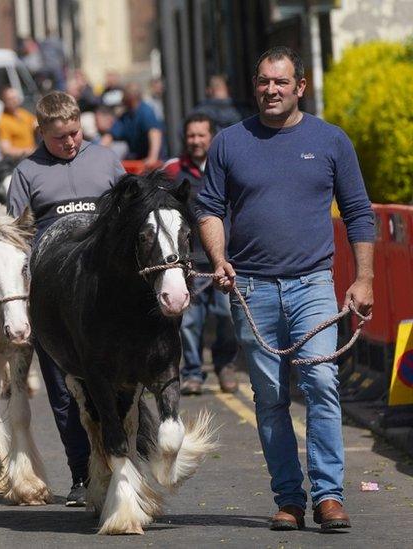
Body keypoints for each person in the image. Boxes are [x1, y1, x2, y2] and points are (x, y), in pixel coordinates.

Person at [196, 46, 374, 531]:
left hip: (313, 283)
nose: (270, 90)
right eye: (262, 82)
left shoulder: (331, 140)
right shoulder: (230, 142)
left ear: (300, 87)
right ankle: (290, 500)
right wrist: (219, 259)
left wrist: (364, 278)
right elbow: (208, 207)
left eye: (280, 82)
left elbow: (359, 212)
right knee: (270, 396)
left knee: (320, 382)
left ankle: (330, 496)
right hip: (251, 288)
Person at [7, 91, 125, 506]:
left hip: (105, 298)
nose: (70, 143)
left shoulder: (106, 160)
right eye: (59, 139)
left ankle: (123, 465)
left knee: (118, 384)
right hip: (54, 302)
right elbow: (17, 237)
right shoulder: (26, 172)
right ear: (42, 133)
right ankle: (80, 474)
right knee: (62, 392)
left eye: (75, 134)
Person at [163, 112, 238, 395]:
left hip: (223, 259)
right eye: (191, 136)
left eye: (201, 135)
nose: (195, 141)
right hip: (188, 262)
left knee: (227, 318)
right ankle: (193, 372)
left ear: (212, 137)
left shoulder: (226, 166)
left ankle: (226, 366)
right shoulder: (172, 170)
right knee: (189, 322)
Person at [103, 82, 165, 170]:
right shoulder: (125, 116)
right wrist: (98, 153)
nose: (122, 99)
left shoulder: (146, 111)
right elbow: (109, 136)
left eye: (124, 95)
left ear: (131, 97)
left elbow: (155, 133)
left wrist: (152, 158)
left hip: (152, 165)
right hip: (137, 161)